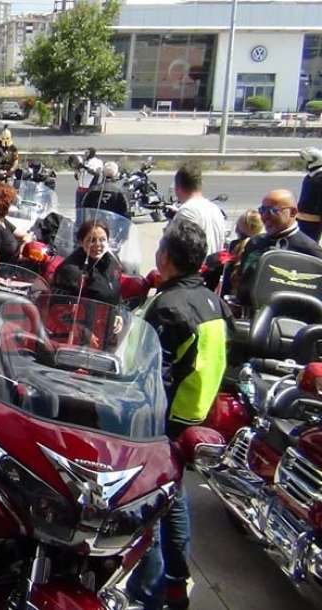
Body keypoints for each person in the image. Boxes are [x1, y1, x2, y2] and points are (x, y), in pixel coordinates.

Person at [127, 220, 229, 610]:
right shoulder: (212, 300)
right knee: (173, 495)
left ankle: (151, 588)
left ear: (165, 255)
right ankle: (174, 580)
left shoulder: (170, 307)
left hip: (163, 417)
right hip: (194, 413)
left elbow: (152, 369)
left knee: (148, 500)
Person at [236, 189, 322, 304]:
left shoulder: (309, 250)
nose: (265, 216)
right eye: (262, 210)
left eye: (273, 211)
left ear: (293, 212)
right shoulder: (255, 243)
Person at [53, 220, 123, 305]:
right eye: (92, 240)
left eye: (102, 240)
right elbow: (61, 305)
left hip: (114, 311)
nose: (98, 245)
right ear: (81, 242)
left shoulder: (112, 260)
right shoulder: (70, 271)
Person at [166, 162, 226, 256]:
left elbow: (178, 250)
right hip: (214, 264)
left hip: (198, 265)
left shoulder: (186, 212)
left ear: (178, 188)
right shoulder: (215, 209)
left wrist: (170, 227)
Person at [296, 146, 322, 242]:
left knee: (308, 246)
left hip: (312, 222)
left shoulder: (320, 178)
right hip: (301, 219)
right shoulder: (310, 177)